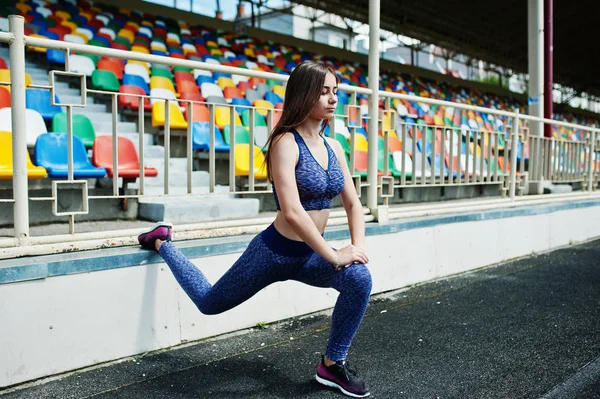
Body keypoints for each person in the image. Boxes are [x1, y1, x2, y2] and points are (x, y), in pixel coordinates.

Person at [138, 61, 372, 398]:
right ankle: (163, 243)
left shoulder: (334, 147)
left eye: (336, 91)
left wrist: (356, 251)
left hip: (310, 255)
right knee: (208, 302)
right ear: (304, 95)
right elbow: (292, 211)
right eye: (324, 92)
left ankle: (332, 364)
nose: (333, 99)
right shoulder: (285, 143)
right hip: (273, 252)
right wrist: (334, 254)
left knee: (359, 278)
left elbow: (353, 205)